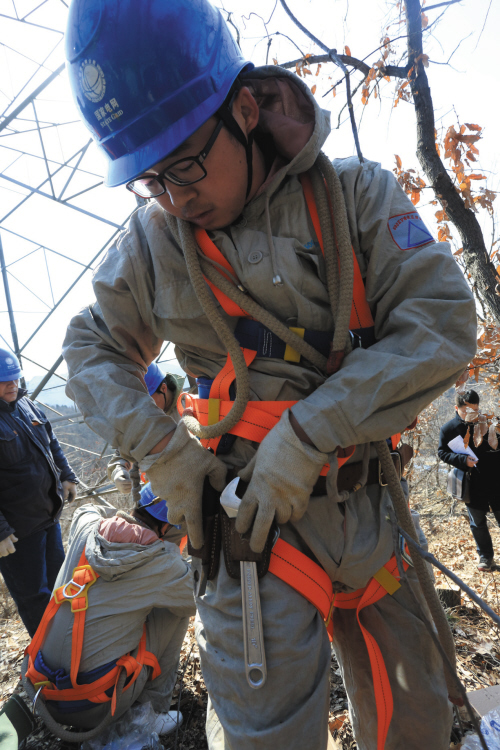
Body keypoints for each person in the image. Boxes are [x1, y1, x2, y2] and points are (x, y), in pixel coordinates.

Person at [62, 1, 477, 748]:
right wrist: (165, 452)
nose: (175, 195)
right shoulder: (154, 244)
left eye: (185, 163)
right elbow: (90, 352)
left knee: (415, 720)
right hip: (248, 534)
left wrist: (313, 431)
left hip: (371, 511)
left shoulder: (351, 198)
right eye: (151, 179)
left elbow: (443, 322)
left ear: (245, 108)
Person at [24, 483, 195, 736]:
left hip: (43, 692)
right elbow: (196, 599)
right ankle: (152, 715)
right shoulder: (160, 563)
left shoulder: (87, 525)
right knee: (175, 611)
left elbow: (88, 508)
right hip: (95, 707)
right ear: (167, 527)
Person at [0, 348, 79, 637]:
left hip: (48, 516)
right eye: (4, 380)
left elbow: (51, 443)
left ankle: (67, 641)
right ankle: (48, 654)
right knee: (35, 596)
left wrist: (67, 476)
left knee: (60, 583)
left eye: (15, 378)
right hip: (17, 533)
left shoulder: (27, 406)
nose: (12, 385)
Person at [438, 389, 500, 571]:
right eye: (466, 411)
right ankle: (486, 558)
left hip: (497, 481)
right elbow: (442, 452)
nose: (471, 415)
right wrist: (462, 461)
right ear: (456, 408)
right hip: (472, 483)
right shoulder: (449, 429)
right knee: (478, 523)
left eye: (475, 410)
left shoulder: (491, 423)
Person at [107, 364, 184, 493]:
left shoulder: (188, 407)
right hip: (162, 493)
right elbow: (123, 452)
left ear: (163, 388)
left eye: (148, 403)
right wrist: (118, 471)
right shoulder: (143, 417)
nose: (145, 410)